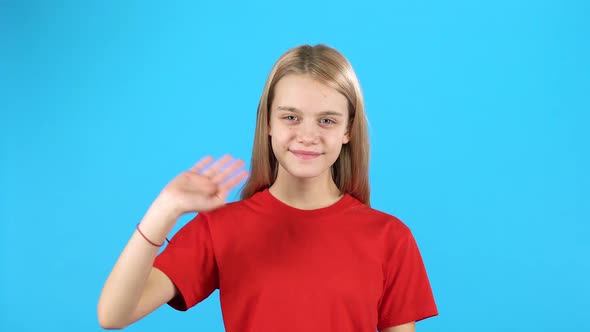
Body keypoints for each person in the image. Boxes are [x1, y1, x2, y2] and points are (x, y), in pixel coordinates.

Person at [97, 44, 438, 331]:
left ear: (348, 130)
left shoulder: (391, 238)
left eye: (327, 120)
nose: (307, 135)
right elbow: (114, 315)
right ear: (269, 124)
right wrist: (165, 208)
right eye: (291, 117)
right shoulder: (222, 228)